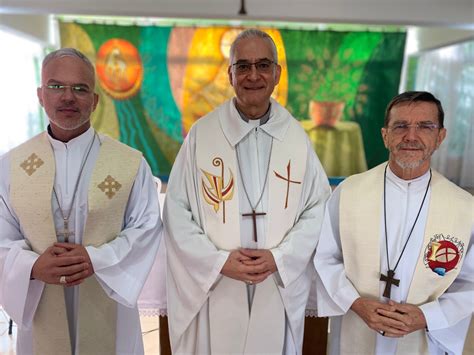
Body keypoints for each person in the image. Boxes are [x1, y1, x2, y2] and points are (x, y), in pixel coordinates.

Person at [164, 28, 330, 354]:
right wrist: (216, 263)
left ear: (277, 74)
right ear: (229, 74)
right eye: (243, 66)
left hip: (274, 283)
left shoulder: (296, 138)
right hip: (218, 286)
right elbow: (176, 210)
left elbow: (317, 208)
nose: (253, 75)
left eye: (263, 65)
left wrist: (280, 258)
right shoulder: (202, 135)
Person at [0, 48, 162, 355]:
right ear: (40, 94)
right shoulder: (10, 166)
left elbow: (147, 229)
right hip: (41, 309)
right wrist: (33, 267)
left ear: (95, 100)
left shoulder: (129, 163)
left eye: (80, 88)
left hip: (107, 309)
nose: (67, 97)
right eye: (56, 86)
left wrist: (96, 259)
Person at [314, 91, 473, 354]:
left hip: (423, 338)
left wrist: (427, 316)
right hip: (357, 327)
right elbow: (325, 258)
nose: (411, 136)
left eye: (425, 126)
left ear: (440, 137)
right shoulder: (349, 192)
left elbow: (470, 281)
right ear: (385, 135)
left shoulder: (464, 207)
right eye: (400, 126)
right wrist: (354, 301)